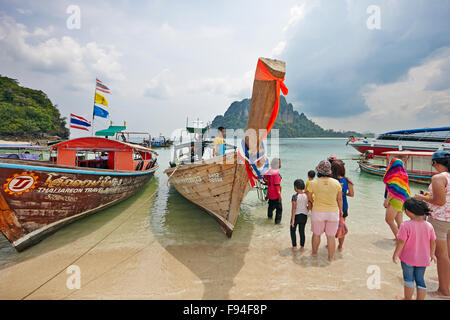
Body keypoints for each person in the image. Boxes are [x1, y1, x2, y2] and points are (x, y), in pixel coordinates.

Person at [414, 150, 450, 298]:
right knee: (448, 253)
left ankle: (443, 290)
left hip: (440, 220)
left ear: (435, 163)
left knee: (441, 255)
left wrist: (421, 197)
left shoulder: (438, 178)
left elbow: (439, 201)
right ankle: (446, 280)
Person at [392, 198, 436, 300]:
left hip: (408, 258)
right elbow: (433, 241)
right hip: (423, 259)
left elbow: (401, 242)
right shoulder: (429, 226)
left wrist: (395, 254)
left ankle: (407, 298)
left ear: (408, 211)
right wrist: (432, 254)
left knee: (408, 279)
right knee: (420, 280)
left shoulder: (405, 225)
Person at [306, 160, 343, 262]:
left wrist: (313, 202)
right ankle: (330, 258)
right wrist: (341, 211)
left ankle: (314, 255)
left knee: (316, 234)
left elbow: (308, 195)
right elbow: (339, 199)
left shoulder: (313, 183)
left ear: (318, 170)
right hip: (333, 212)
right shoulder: (336, 183)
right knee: (330, 237)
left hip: (318, 211)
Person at [383, 157, 411, 239]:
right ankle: (403, 238)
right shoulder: (404, 174)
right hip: (402, 200)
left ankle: (399, 238)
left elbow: (393, 191)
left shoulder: (394, 175)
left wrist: (386, 201)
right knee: (399, 222)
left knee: (389, 220)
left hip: (394, 200)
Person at [331, 160, 354, 251]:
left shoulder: (331, 181)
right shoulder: (348, 181)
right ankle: (340, 246)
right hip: (343, 206)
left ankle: (330, 244)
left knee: (331, 227)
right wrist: (344, 194)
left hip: (332, 206)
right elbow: (352, 194)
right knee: (341, 226)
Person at [291, 179, 311, 251]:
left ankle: (294, 246)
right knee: (302, 231)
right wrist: (307, 210)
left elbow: (294, 208)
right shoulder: (306, 195)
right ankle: (302, 247)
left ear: (295, 187)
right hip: (304, 216)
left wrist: (292, 220)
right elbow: (310, 205)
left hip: (296, 215)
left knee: (293, 231)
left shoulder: (294, 196)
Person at [264, 158, 282, 224]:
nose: (280, 164)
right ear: (277, 164)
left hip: (270, 194)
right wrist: (279, 196)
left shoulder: (269, 172)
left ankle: (269, 219)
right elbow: (277, 186)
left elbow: (265, 179)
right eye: (279, 163)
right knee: (279, 210)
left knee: (270, 207)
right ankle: (277, 224)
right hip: (275, 195)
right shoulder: (276, 174)